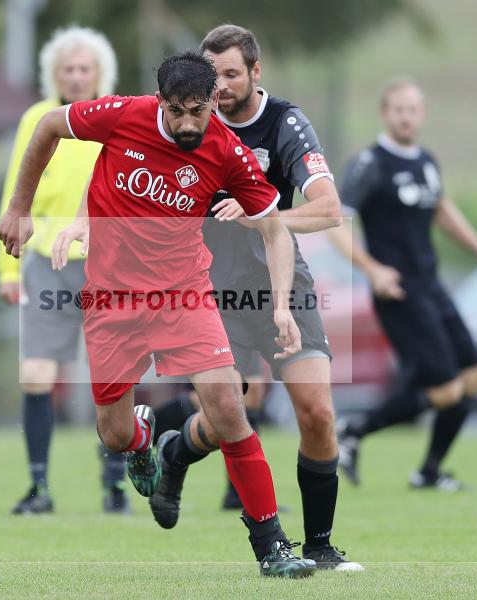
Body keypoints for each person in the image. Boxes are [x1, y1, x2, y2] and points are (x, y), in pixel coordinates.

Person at [0, 49, 316, 578]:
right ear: (161, 102)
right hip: (111, 299)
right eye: (178, 111)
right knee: (115, 435)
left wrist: (282, 306)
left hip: (184, 295)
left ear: (215, 102)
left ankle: (273, 547)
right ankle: (144, 440)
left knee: (227, 407)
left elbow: (274, 229)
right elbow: (51, 125)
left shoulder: (227, 151)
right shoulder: (123, 115)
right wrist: (18, 208)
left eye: (200, 110)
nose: (190, 122)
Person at [147, 25, 363, 571]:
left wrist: (262, 217)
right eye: (210, 74)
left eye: (230, 74)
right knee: (229, 415)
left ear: (255, 73)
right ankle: (176, 453)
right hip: (208, 291)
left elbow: (328, 209)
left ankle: (320, 547)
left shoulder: (286, 124)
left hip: (280, 284)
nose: (217, 87)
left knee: (316, 411)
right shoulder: (186, 118)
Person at [330, 77, 477, 491]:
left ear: (423, 114)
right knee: (446, 388)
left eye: (413, 110)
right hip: (398, 291)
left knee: (473, 378)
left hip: (431, 286)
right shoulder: (370, 163)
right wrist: (372, 268)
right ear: (385, 113)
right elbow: (336, 223)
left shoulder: (426, 162)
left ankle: (426, 471)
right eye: (398, 109)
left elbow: (442, 210)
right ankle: (354, 429)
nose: (406, 117)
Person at [0, 27, 128, 515]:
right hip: (45, 264)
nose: (75, 76)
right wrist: (6, 270)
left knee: (112, 377)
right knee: (35, 373)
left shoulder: (118, 117)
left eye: (83, 69)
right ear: (55, 75)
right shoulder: (38, 118)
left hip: (107, 266)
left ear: (99, 75)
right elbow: (16, 193)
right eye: (67, 69)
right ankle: (39, 488)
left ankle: (114, 488)